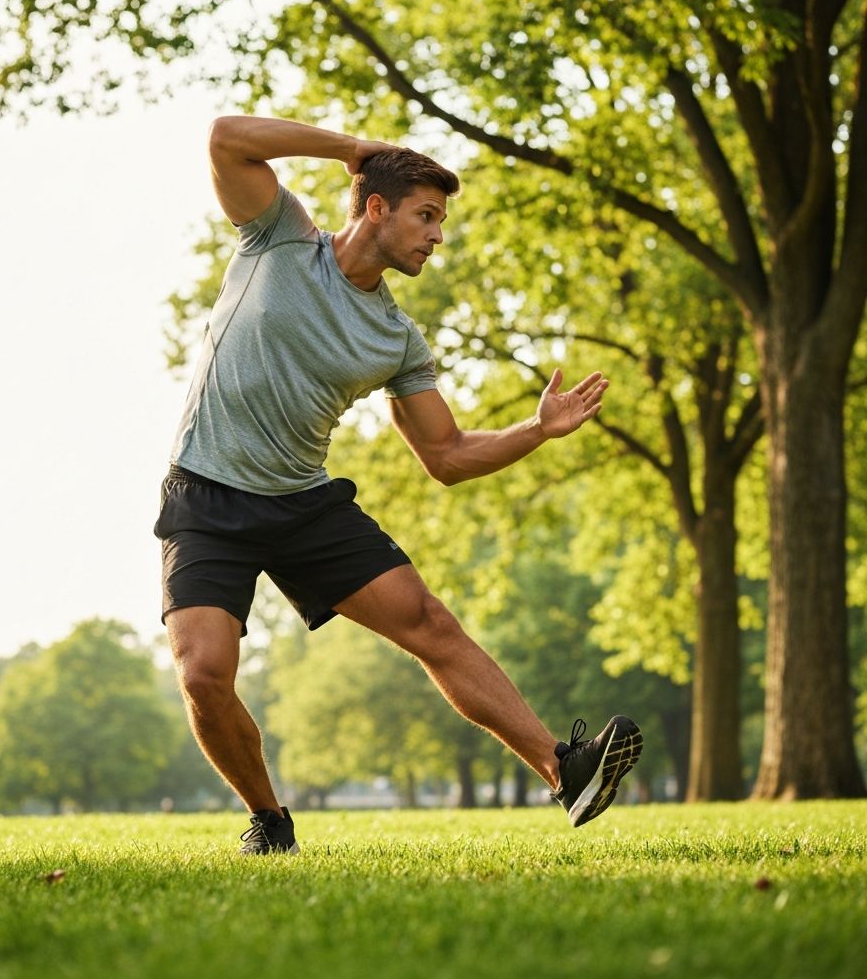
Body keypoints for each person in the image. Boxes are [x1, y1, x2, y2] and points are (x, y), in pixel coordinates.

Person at [154, 115, 642, 854]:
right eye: (426, 215)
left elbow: (445, 455)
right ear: (374, 207)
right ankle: (269, 820)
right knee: (204, 676)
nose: (437, 236)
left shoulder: (396, 337)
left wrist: (535, 431)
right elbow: (224, 136)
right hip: (208, 494)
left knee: (430, 623)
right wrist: (355, 150)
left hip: (302, 500)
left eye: (440, 221)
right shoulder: (279, 236)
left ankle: (564, 769)